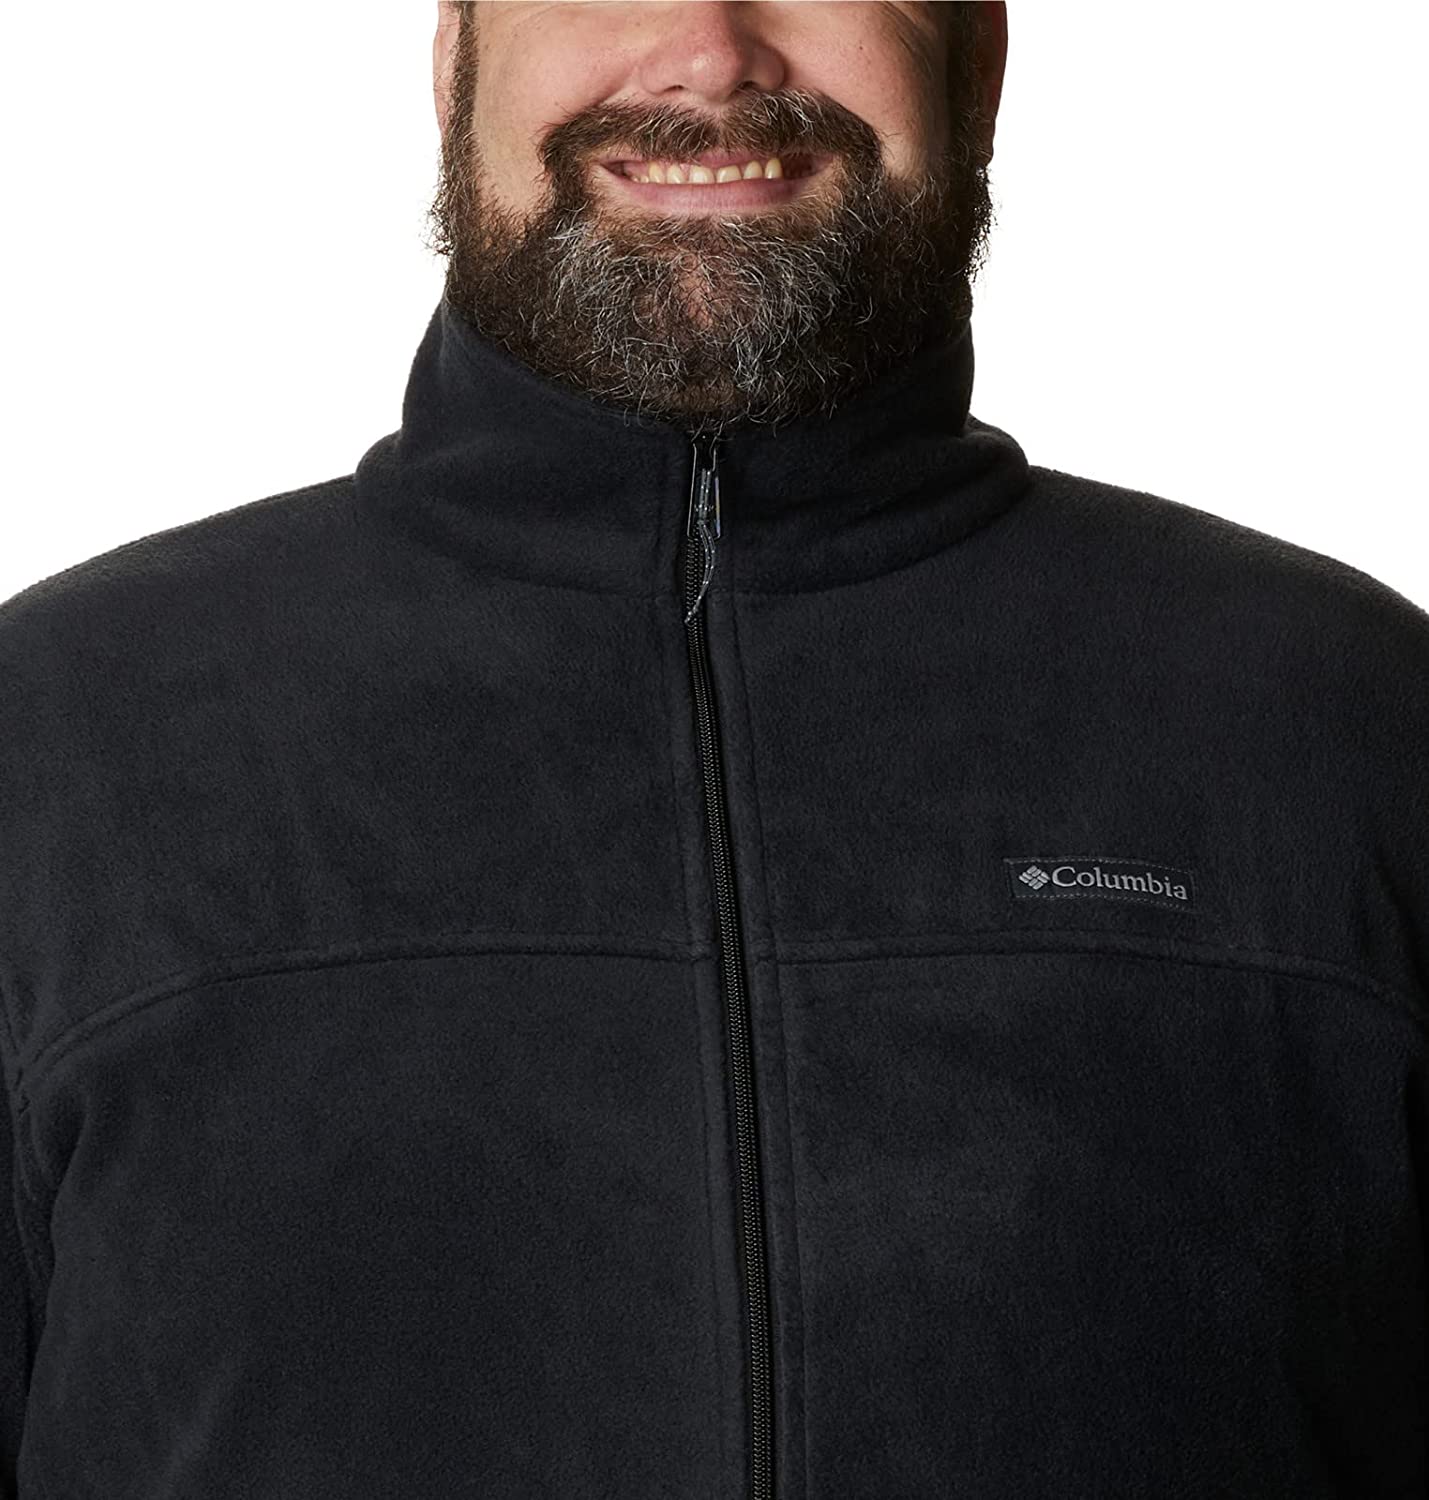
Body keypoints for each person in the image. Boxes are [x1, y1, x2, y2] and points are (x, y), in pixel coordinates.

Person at [2, 3, 1425, 1495]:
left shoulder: (1344, 719)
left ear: (978, 59)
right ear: (454, 59)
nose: (710, 54)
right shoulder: (64, 738)